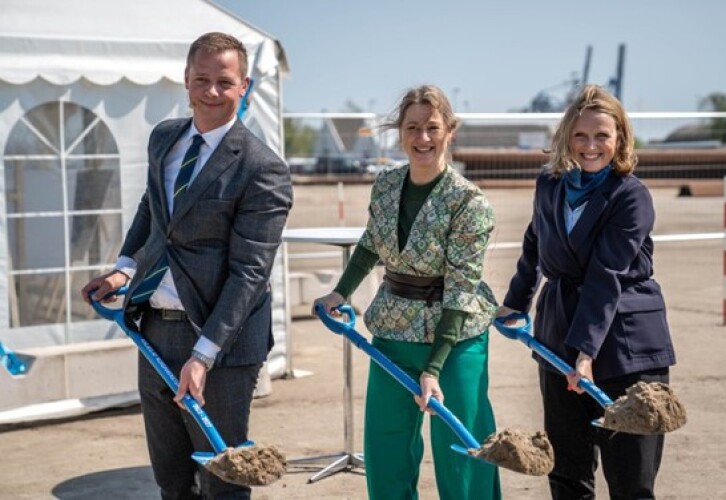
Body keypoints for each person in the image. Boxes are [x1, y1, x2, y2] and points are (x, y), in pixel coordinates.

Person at [82, 32, 293, 499]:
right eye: (202, 79)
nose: (211, 91)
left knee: (223, 480)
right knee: (172, 479)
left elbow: (249, 273)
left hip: (222, 341)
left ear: (245, 87)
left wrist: (203, 355)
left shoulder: (263, 169)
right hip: (154, 328)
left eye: (224, 81)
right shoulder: (165, 138)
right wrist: (124, 269)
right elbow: (152, 210)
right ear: (185, 80)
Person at [314, 84, 502, 500]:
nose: (423, 138)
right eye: (412, 128)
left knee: (460, 449)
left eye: (432, 127)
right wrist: (340, 293)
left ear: (449, 131)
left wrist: (433, 369)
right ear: (400, 132)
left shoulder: (469, 202)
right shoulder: (385, 185)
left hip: (456, 340)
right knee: (386, 447)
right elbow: (370, 244)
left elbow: (460, 289)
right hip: (395, 326)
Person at [497, 84, 676, 500]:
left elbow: (606, 274)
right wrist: (515, 303)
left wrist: (585, 352)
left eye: (602, 136)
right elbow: (534, 246)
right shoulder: (550, 185)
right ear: (566, 138)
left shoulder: (631, 196)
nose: (591, 146)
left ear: (620, 139)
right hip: (559, 337)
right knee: (567, 472)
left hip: (625, 344)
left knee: (631, 479)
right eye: (581, 136)